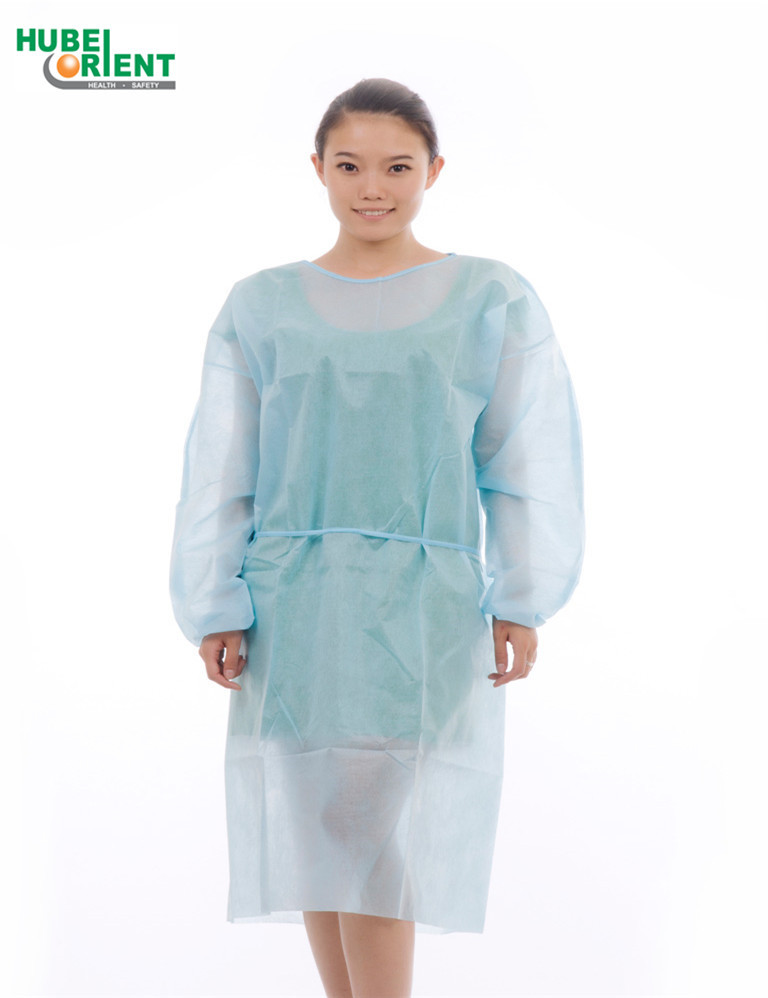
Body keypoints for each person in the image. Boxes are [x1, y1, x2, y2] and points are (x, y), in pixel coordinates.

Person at [169, 77, 585, 998]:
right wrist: (214, 601)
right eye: (350, 165)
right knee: (320, 829)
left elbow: (525, 455)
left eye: (397, 167)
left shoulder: (489, 297)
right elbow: (223, 466)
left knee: (366, 826)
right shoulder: (260, 305)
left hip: (421, 604)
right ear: (317, 168)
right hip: (293, 603)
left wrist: (522, 596)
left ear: (434, 171)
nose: (372, 188)